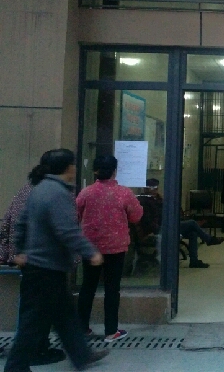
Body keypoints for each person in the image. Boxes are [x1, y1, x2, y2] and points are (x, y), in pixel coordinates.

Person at [4, 148, 109, 372]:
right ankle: (15, 367)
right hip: (46, 268)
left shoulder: (39, 189)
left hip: (40, 266)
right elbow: (66, 230)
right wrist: (90, 252)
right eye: (73, 164)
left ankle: (82, 355)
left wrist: (21, 249)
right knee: (32, 323)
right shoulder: (57, 193)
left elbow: (21, 222)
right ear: (68, 168)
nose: (75, 168)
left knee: (65, 315)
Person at [0, 152, 66, 367]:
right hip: (41, 260)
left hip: (26, 258)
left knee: (34, 309)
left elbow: (8, 223)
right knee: (37, 313)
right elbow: (61, 230)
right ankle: (35, 351)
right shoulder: (49, 192)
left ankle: (31, 352)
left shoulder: (27, 190)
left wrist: (14, 252)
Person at [76, 155, 143, 343]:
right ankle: (111, 331)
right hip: (116, 248)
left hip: (90, 247)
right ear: (115, 171)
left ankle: (82, 328)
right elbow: (136, 216)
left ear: (94, 171)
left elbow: (75, 215)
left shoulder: (86, 193)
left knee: (87, 287)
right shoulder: (124, 193)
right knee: (112, 289)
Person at [141, 178, 224, 269]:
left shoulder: (157, 199)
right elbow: (148, 220)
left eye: (156, 188)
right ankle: (209, 239)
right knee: (192, 223)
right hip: (160, 228)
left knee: (193, 233)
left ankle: (194, 261)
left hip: (167, 225)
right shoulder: (145, 201)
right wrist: (158, 228)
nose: (155, 190)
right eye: (153, 188)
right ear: (146, 189)